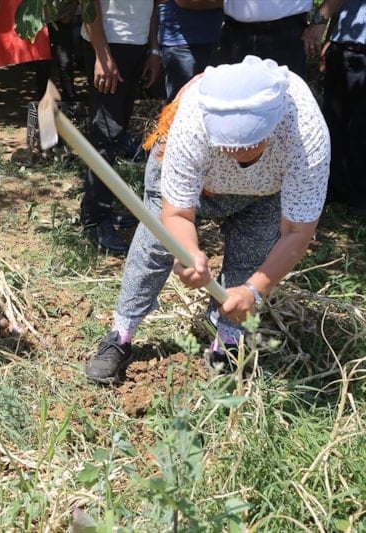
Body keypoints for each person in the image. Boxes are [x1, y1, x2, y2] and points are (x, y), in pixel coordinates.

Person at [84, 56, 331, 384]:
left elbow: (297, 231)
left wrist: (254, 291)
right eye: (227, 146)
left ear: (274, 124)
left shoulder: (306, 134)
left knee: (251, 257)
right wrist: (188, 251)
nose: (238, 154)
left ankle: (227, 342)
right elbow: (177, 213)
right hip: (194, 185)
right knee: (153, 245)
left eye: (252, 146)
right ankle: (121, 333)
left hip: (264, 193)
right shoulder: (192, 119)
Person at [80, 0, 162, 255]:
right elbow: (88, 4)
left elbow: (154, 5)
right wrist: (102, 55)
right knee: (106, 133)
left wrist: (153, 49)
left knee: (116, 134)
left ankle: (101, 208)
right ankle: (95, 220)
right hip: (109, 45)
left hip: (136, 47)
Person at [303, 0, 366, 217]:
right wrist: (331, 38)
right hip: (343, 48)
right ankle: (332, 188)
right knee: (332, 123)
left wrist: (319, 20)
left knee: (361, 129)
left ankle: (359, 197)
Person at [219, 0, 312, 77]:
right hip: (236, 34)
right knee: (233, 90)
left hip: (285, 35)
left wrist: (318, 21)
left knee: (288, 90)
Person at [157, 0, 223, 102]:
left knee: (211, 102)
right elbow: (185, 2)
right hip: (181, 47)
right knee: (182, 103)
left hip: (213, 42)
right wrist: (225, 3)